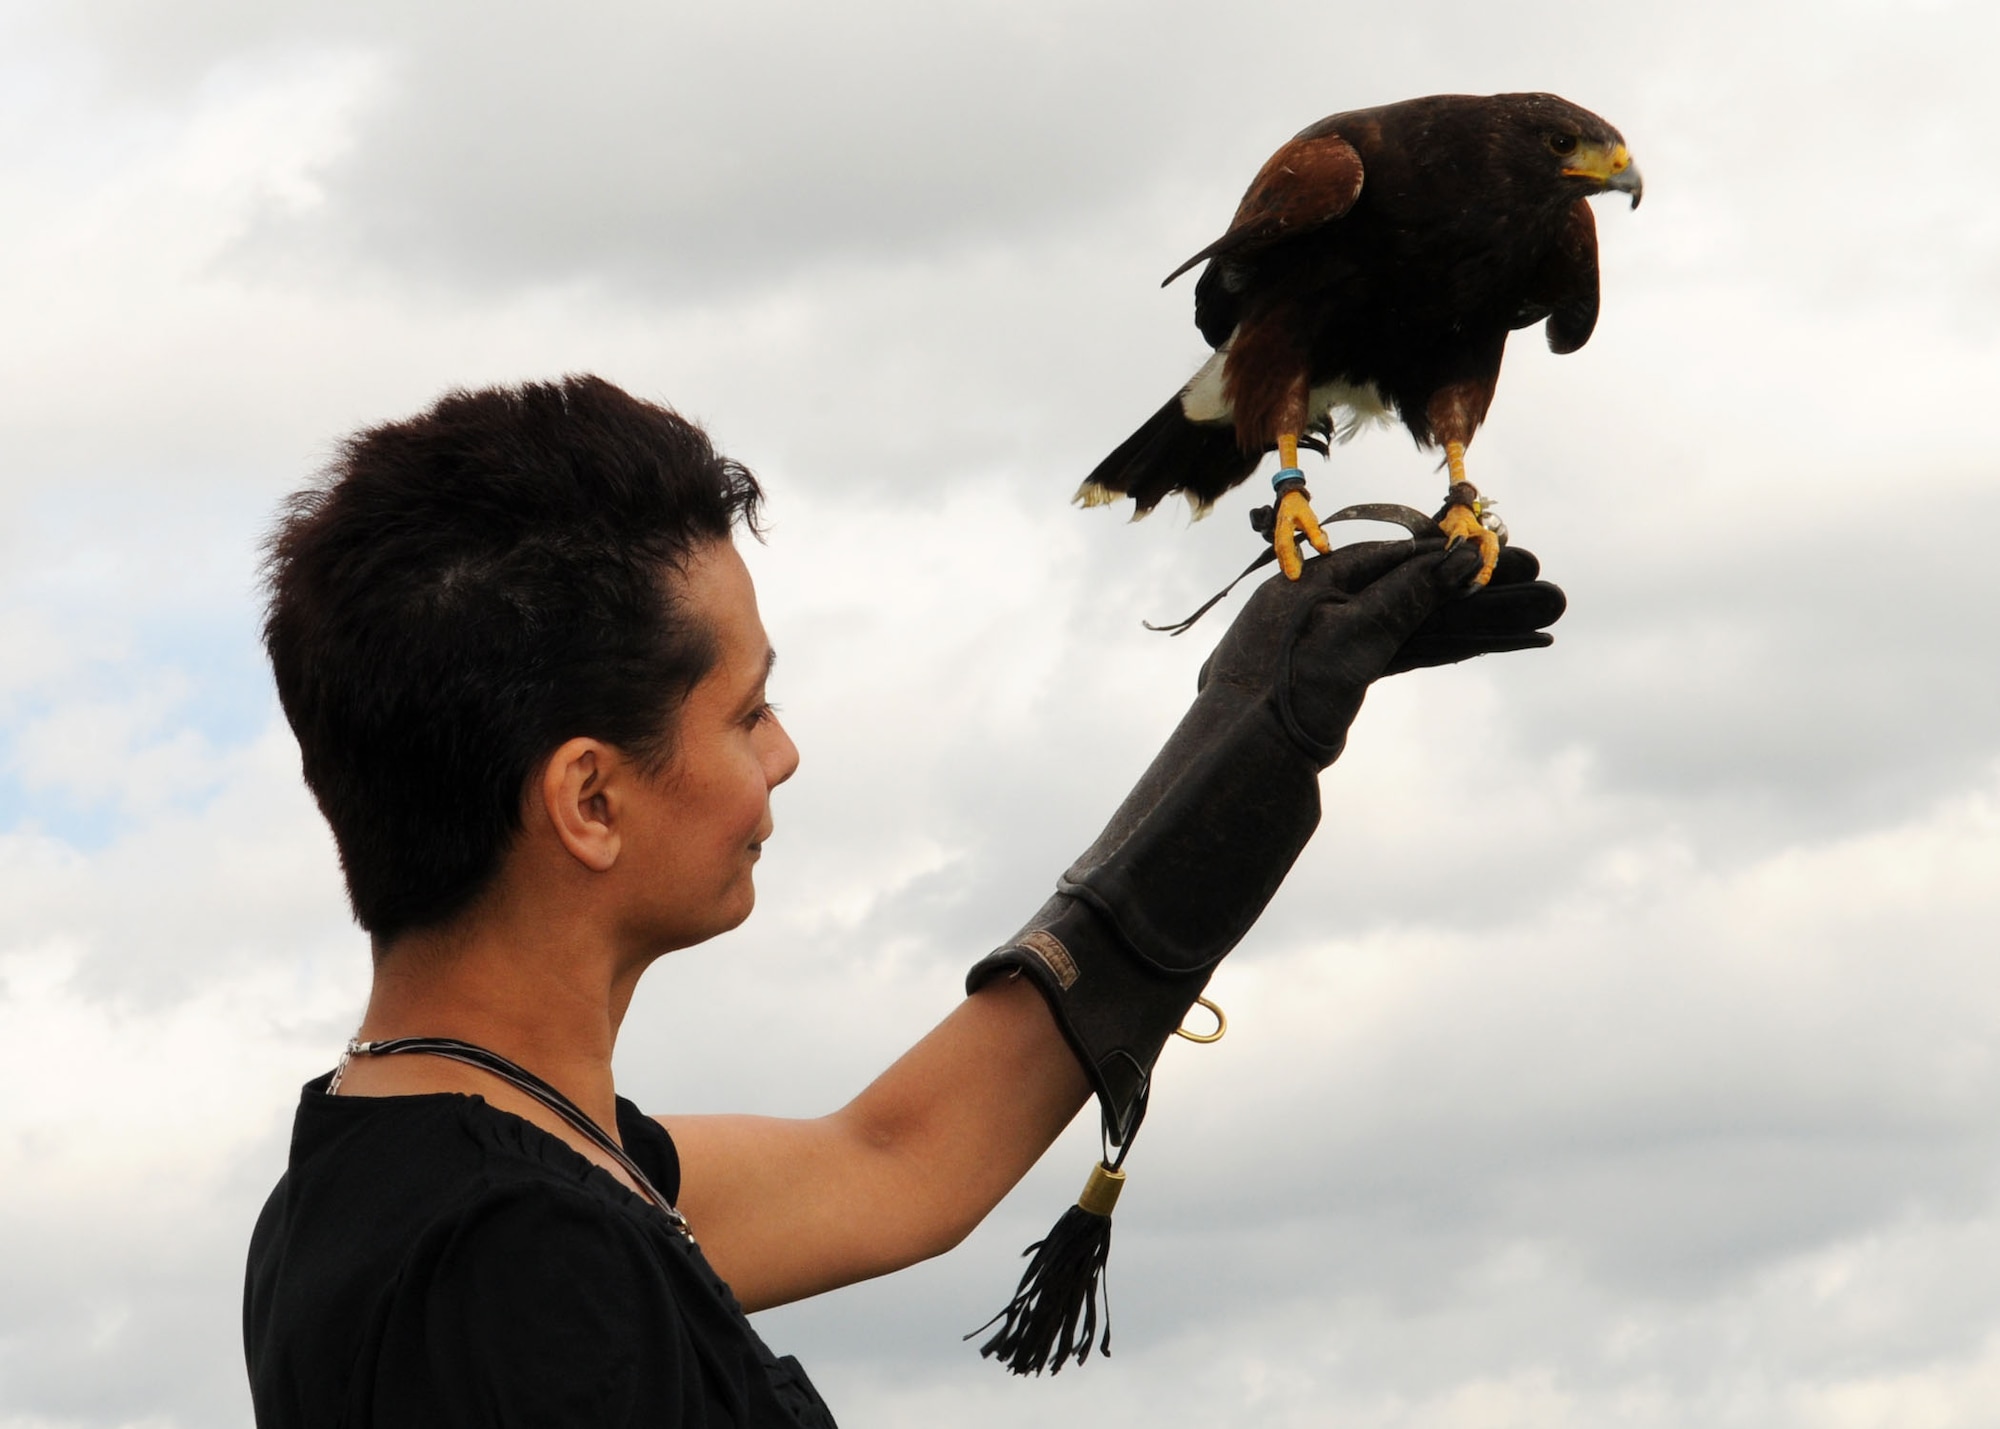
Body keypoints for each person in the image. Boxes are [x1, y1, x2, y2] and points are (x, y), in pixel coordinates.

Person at [243, 375, 1563, 1427]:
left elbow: (897, 1163)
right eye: (747, 709)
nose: (785, 751)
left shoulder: (439, 1170)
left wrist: (1260, 736)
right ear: (590, 800)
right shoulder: (518, 1272)